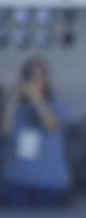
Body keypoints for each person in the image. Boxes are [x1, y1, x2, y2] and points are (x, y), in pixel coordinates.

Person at [0, 58, 70, 208]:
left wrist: (37, 99)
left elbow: (51, 125)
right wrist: (13, 99)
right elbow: (4, 131)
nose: (35, 81)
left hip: (50, 182)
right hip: (16, 180)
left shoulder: (56, 104)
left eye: (40, 76)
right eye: (30, 76)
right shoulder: (13, 107)